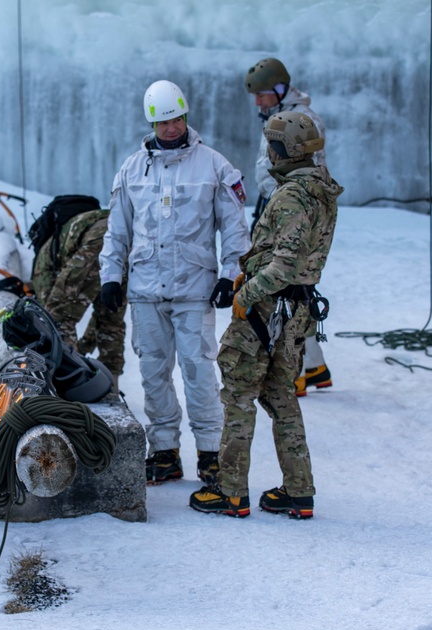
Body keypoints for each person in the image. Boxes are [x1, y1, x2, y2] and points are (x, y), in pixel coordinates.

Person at [189, 110, 343, 519]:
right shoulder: (321, 190)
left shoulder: (293, 195)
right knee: (279, 395)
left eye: (271, 147)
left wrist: (247, 294)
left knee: (238, 393)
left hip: (267, 310)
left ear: (282, 150)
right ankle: (298, 490)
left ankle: (231, 490)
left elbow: (285, 264)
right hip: (296, 312)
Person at [99, 80, 249, 485]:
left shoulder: (214, 166)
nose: (171, 128)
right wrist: (111, 276)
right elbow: (117, 231)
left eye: (177, 119)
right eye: (163, 122)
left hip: (193, 287)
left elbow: (234, 228)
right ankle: (164, 450)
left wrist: (230, 275)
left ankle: (211, 452)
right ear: (152, 122)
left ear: (186, 116)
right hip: (146, 288)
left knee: (199, 369)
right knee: (152, 371)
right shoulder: (133, 169)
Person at [244, 57, 333, 397]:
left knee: (289, 290)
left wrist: (285, 211)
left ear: (280, 91)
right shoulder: (276, 115)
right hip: (278, 207)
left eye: (263, 94)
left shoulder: (303, 121)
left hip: (292, 213)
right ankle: (316, 367)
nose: (258, 101)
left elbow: (306, 174)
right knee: (294, 290)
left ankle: (292, 371)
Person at [32, 207, 127, 386]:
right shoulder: (60, 242)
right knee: (110, 317)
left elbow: (55, 313)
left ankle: (70, 383)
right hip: (124, 239)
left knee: (57, 316)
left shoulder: (42, 267)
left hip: (98, 242)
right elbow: (102, 319)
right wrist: (83, 349)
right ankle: (110, 385)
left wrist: (79, 352)